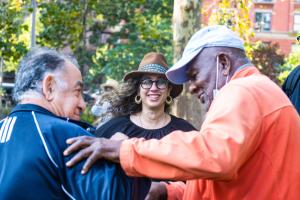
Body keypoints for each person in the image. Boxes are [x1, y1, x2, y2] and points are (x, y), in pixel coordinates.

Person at [64, 25, 300, 199]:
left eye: (195, 74)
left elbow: (215, 156)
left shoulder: (242, 90)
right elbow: (227, 179)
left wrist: (124, 149)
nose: (192, 86)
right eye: (147, 82)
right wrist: (169, 190)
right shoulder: (260, 91)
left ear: (224, 63)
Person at [0, 47, 149, 200]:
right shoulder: (64, 136)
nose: (83, 105)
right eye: (77, 92)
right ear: (49, 87)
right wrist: (122, 148)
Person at [94, 52, 196, 199]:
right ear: (138, 89)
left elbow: (198, 183)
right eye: (147, 82)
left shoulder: (185, 132)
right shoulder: (113, 128)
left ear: (168, 90)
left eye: (161, 82)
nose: (153, 88)